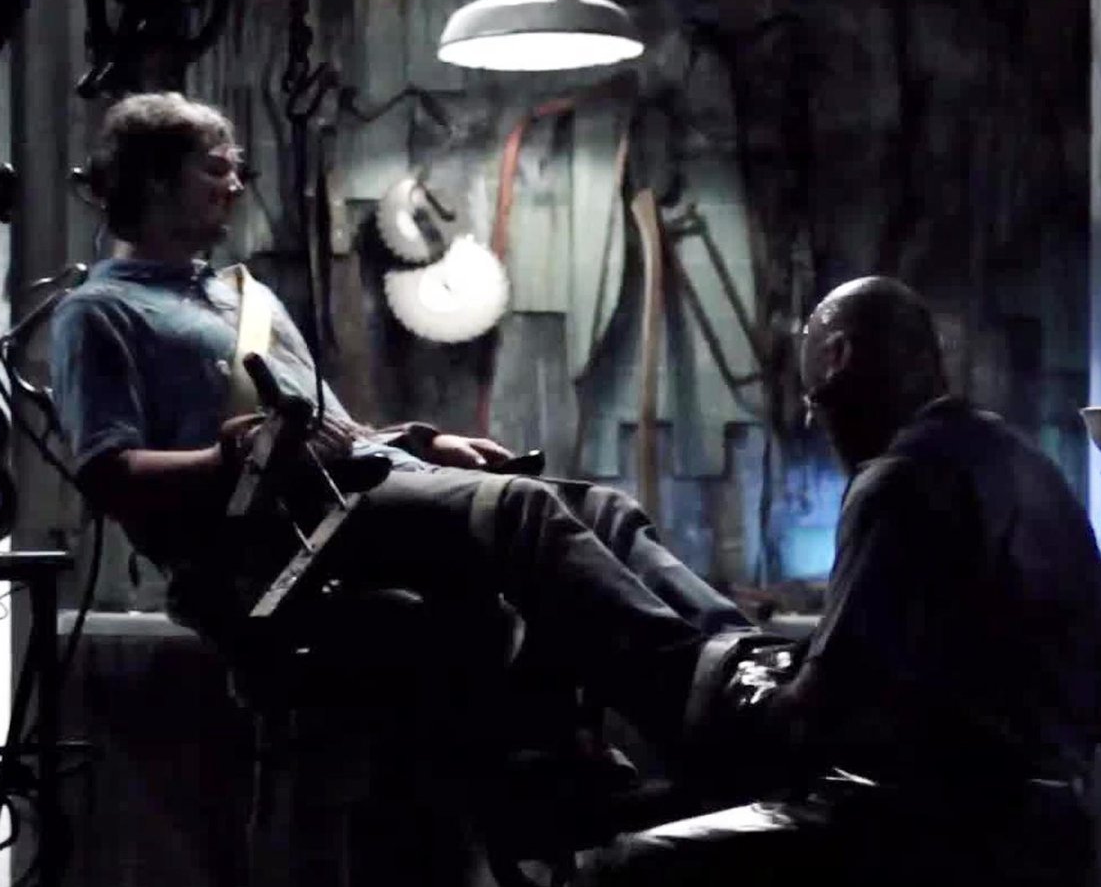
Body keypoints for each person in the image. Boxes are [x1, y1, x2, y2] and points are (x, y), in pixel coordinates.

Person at [48, 92, 767, 767]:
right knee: (521, 509)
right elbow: (109, 475)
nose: (234, 187)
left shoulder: (244, 294)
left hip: (359, 488)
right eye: (215, 171)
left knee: (600, 508)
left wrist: (421, 444)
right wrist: (227, 457)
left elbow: (336, 430)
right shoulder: (100, 312)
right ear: (155, 180)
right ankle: (700, 706)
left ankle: (746, 662)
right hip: (278, 537)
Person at [582, 276, 1101, 886]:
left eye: (815, 406)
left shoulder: (899, 479)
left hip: (947, 833)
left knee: (623, 866)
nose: (823, 429)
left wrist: (717, 717)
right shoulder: (1028, 464)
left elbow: (817, 717)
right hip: (1054, 825)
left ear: (837, 359)